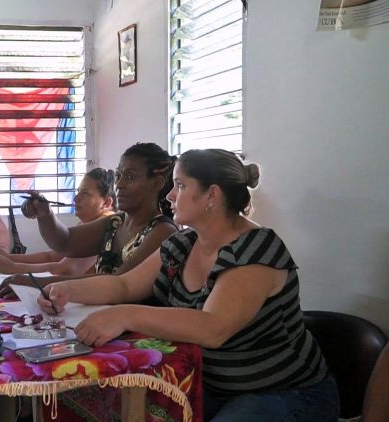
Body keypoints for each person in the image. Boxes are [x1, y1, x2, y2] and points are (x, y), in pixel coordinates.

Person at [39, 149, 339, 421]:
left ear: (212, 195)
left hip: (286, 392)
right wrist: (66, 290)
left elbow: (213, 327)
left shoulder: (257, 249)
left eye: (180, 186)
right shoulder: (183, 243)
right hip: (212, 385)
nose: (170, 196)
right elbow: (124, 285)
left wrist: (124, 315)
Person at [0, 142, 178, 298]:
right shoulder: (116, 222)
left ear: (156, 184)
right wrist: (45, 215)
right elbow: (65, 242)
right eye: (118, 175)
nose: (119, 184)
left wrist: (38, 283)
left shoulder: (163, 231)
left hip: (135, 328)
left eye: (130, 177)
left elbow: (118, 283)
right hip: (102, 316)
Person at [0, 168, 116, 276]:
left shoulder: (107, 225)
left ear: (106, 202)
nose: (76, 198)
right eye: (78, 192)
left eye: (85, 194)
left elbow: (65, 270)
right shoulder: (88, 223)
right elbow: (51, 257)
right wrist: (7, 257)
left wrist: (13, 267)